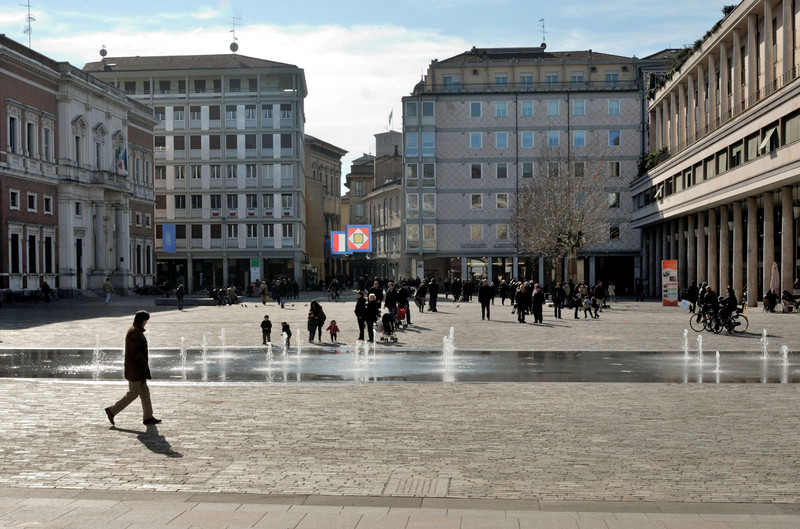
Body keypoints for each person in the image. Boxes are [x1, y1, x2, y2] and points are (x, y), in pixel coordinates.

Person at [104, 310, 160, 426]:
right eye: (146, 321)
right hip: (135, 370)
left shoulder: (136, 330)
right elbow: (134, 351)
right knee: (133, 393)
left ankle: (148, 417)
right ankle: (112, 410)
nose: (146, 323)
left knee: (145, 393)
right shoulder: (134, 332)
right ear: (142, 321)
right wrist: (143, 363)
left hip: (139, 370)